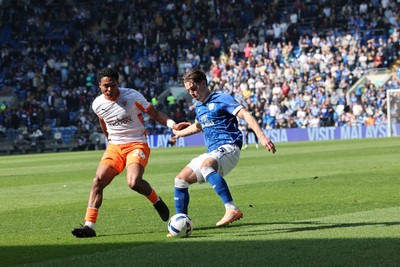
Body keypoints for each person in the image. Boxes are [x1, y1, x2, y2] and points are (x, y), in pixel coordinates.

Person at [72, 67, 189, 238]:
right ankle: (90, 225)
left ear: (117, 83)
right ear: (99, 85)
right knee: (97, 181)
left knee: (133, 182)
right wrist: (109, 141)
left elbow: (154, 113)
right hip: (114, 147)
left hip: (136, 144)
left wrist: (173, 125)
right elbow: (103, 122)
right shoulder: (97, 104)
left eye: (112, 85)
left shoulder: (132, 96)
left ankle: (156, 201)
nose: (109, 89)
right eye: (106, 86)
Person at [169, 68, 276, 234]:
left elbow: (245, 115)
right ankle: (181, 223)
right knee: (180, 180)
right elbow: (198, 126)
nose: (191, 93)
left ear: (203, 83)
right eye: (188, 90)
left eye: (193, 88)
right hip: (213, 151)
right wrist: (178, 133)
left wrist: (261, 136)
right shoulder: (199, 107)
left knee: (206, 166)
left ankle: (231, 209)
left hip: (229, 146)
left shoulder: (221, 98)